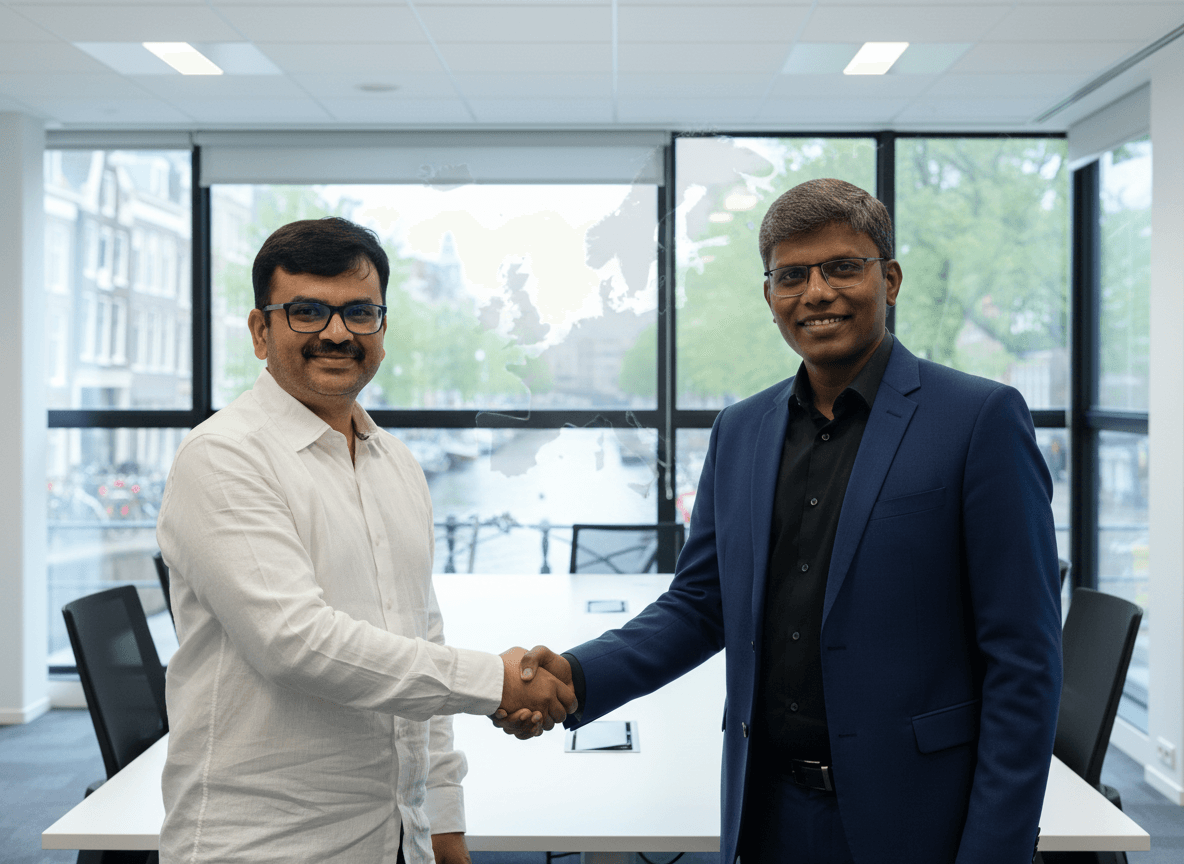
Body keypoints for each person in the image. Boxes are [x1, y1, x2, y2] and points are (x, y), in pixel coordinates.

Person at [498, 179, 1063, 864]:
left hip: (918, 816)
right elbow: (700, 605)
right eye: (791, 275)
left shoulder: (978, 420)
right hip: (765, 814)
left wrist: (994, 854)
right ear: (770, 297)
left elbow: (1024, 662)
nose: (816, 292)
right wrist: (577, 676)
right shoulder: (740, 430)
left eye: (842, 268)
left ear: (889, 279)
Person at [156, 217, 575, 864]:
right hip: (263, 847)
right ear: (260, 332)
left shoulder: (397, 465)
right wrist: (496, 681)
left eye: (359, 312)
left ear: (380, 328)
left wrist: (446, 831)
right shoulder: (223, 457)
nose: (335, 332)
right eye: (305, 312)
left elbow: (420, 651)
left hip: (395, 840)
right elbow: (295, 643)